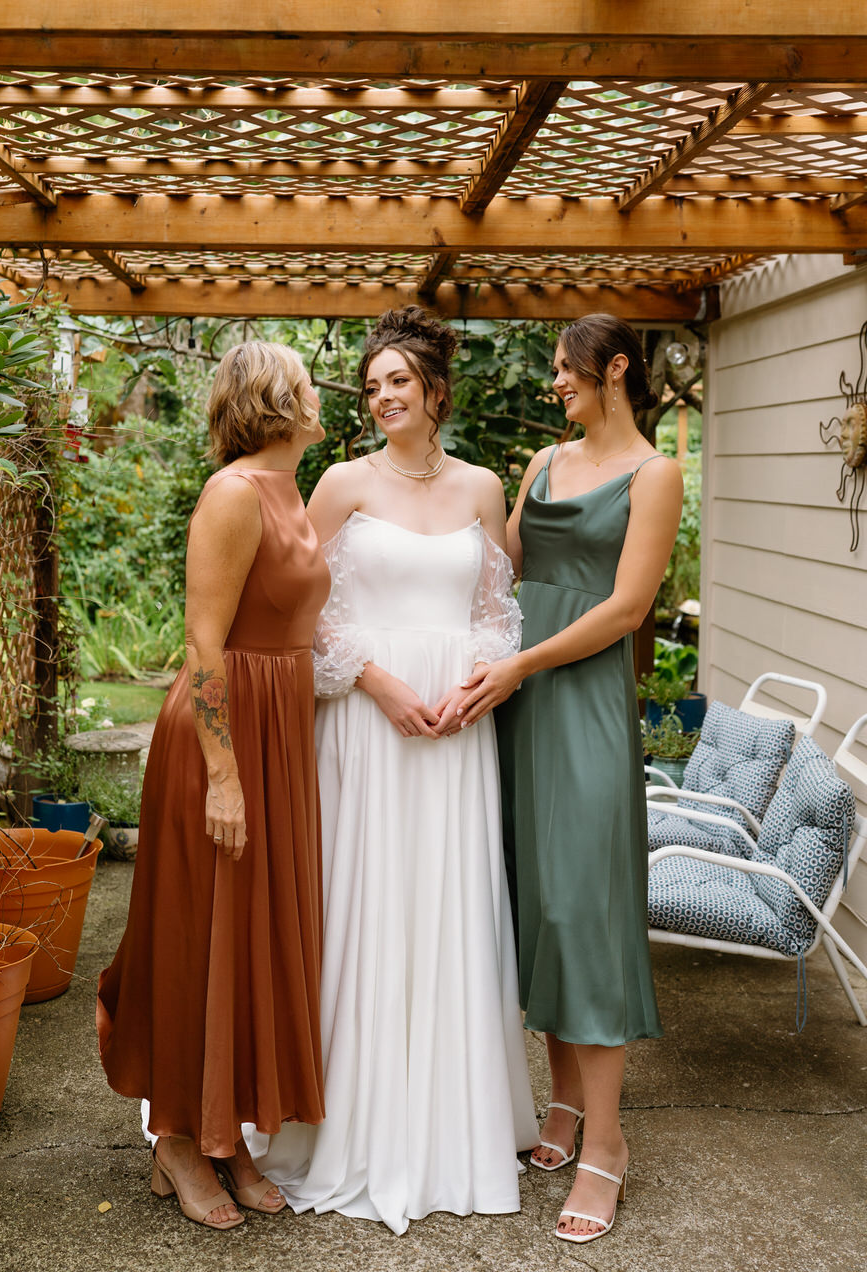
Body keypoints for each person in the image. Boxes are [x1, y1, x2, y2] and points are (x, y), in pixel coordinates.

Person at [251, 306, 539, 1235]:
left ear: (435, 391)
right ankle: (354, 1124)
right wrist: (375, 682)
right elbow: (305, 610)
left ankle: (455, 1127)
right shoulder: (337, 482)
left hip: (456, 733)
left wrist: (480, 683)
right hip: (369, 733)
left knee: (449, 906)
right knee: (367, 905)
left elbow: (499, 610)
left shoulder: (485, 488)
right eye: (372, 386)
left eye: (398, 383)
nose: (382, 398)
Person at [456, 313, 683, 1246]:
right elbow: (504, 569)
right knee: (537, 905)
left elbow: (628, 606)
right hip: (519, 703)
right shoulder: (543, 466)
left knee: (585, 912)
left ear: (615, 369)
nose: (555, 382)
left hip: (580, 703)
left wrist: (521, 665)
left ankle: (610, 1142)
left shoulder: (656, 474)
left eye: (565, 369)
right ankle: (560, 1104)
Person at [97, 341, 329, 1230]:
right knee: (200, 937)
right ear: (276, 401)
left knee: (251, 938)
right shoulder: (233, 494)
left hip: (277, 736)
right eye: (306, 386)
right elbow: (205, 639)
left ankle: (224, 1136)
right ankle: (178, 1141)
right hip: (221, 739)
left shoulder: (292, 489)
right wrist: (224, 776)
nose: (319, 396)